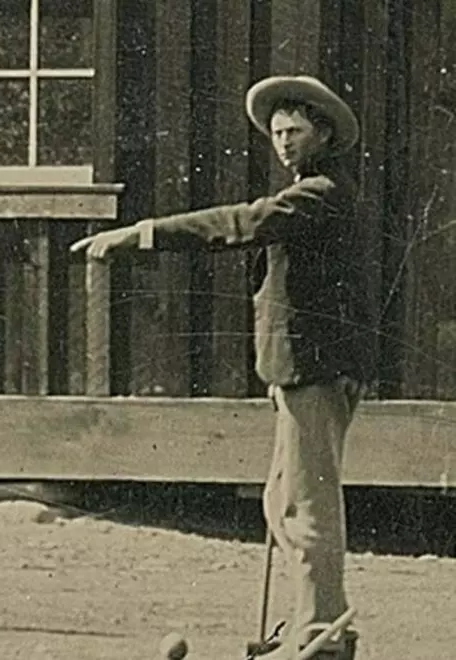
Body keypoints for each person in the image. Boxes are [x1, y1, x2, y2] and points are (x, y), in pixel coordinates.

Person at [71, 75, 374, 659]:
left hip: (315, 366)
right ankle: (318, 621)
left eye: (297, 131)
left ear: (325, 133)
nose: (284, 142)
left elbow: (244, 222)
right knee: (280, 500)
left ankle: (322, 637)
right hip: (299, 365)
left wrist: (144, 234)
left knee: (306, 505)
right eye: (278, 133)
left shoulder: (322, 192)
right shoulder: (314, 191)